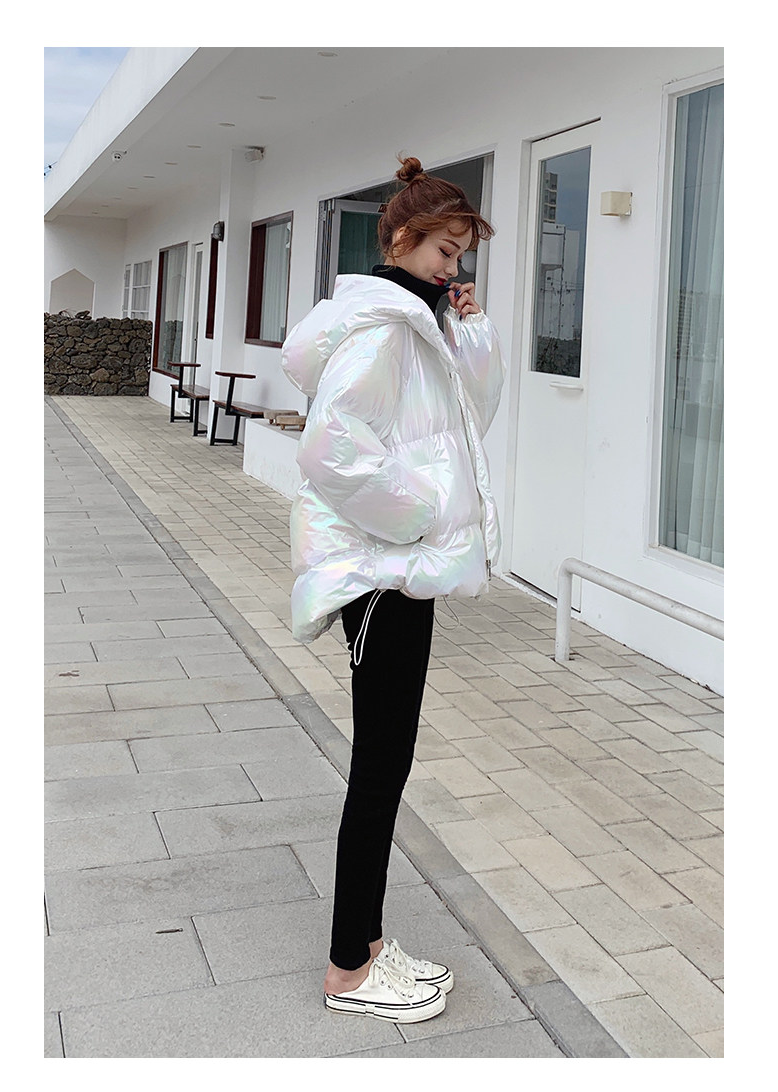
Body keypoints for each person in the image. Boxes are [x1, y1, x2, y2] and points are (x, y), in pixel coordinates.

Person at [281, 155, 505, 1023]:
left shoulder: (417, 325)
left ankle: (369, 944)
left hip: (399, 569)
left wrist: (471, 336)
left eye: (461, 255)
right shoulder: (382, 332)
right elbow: (330, 449)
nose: (454, 269)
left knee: (388, 761)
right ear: (404, 238)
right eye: (446, 251)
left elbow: (464, 424)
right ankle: (349, 968)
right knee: (380, 767)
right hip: (381, 573)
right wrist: (418, 518)